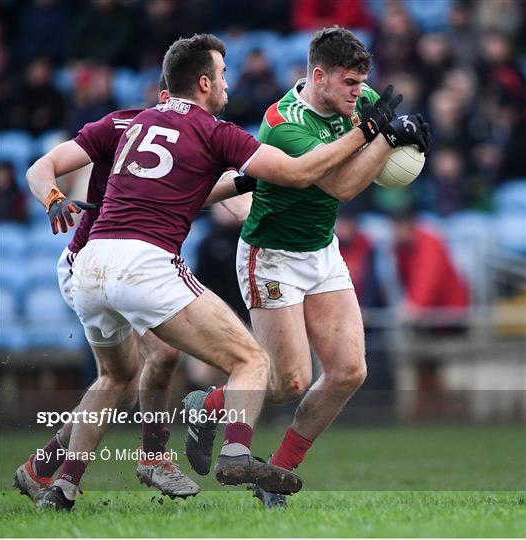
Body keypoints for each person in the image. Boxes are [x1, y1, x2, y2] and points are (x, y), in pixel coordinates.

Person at [26, 32, 405, 510]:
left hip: (88, 260)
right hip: (146, 263)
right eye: (223, 75)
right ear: (204, 84)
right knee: (252, 362)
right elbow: (299, 173)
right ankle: (229, 453)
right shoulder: (218, 131)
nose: (229, 84)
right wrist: (369, 135)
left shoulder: (131, 121)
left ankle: (59, 480)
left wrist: (54, 198)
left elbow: (53, 168)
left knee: (128, 373)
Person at [182, 27, 430, 508]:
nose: (360, 94)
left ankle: (276, 472)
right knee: (284, 383)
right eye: (350, 84)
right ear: (319, 76)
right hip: (272, 256)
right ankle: (205, 407)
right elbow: (341, 185)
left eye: (363, 83)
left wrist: (411, 142)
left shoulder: (359, 101)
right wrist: (382, 137)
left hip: (321, 250)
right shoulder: (282, 123)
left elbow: (382, 145)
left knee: (349, 371)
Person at [18, 73, 258, 508]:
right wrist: (54, 197)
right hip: (93, 262)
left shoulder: (197, 135)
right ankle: (151, 457)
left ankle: (48, 468)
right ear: (163, 98)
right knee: (138, 368)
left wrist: (251, 196)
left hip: (129, 268)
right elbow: (39, 168)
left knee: (125, 376)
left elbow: (209, 194)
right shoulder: (120, 125)